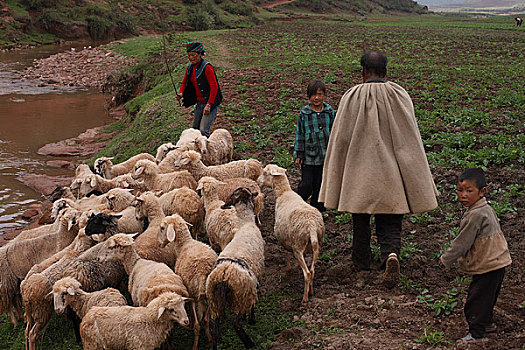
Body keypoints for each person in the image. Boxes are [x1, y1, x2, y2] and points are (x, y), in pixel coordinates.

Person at [318, 51, 438, 287]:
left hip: (359, 171)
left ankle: (361, 261)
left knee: (359, 217)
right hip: (391, 171)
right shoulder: (399, 95)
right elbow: (409, 137)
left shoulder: (351, 97)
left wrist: (338, 167)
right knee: (391, 216)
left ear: (362, 72)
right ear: (386, 72)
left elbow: (340, 138)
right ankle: (390, 255)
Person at [440, 168, 511, 344]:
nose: (463, 195)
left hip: (488, 264)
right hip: (497, 261)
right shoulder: (484, 208)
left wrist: (445, 259)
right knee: (487, 297)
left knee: (475, 301)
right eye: (460, 190)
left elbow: (462, 243)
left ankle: (476, 334)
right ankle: (486, 324)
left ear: (482, 192)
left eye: (469, 191)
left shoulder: (475, 215)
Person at [293, 80, 335, 213]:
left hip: (325, 155)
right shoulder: (304, 114)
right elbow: (300, 134)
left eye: (319, 94)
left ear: (324, 95)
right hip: (309, 157)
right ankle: (297, 203)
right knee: (306, 184)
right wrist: (299, 153)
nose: (316, 98)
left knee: (320, 184)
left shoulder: (329, 112)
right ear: (308, 97)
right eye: (313, 95)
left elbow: (335, 132)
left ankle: (318, 209)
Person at [177, 42, 223, 137]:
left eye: (193, 55)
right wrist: (181, 93)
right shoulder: (190, 68)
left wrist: (209, 104)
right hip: (200, 103)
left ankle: (208, 150)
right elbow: (184, 82)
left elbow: (214, 86)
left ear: (200, 54)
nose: (191, 58)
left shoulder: (207, 68)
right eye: (189, 55)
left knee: (203, 130)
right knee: (194, 129)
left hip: (209, 102)